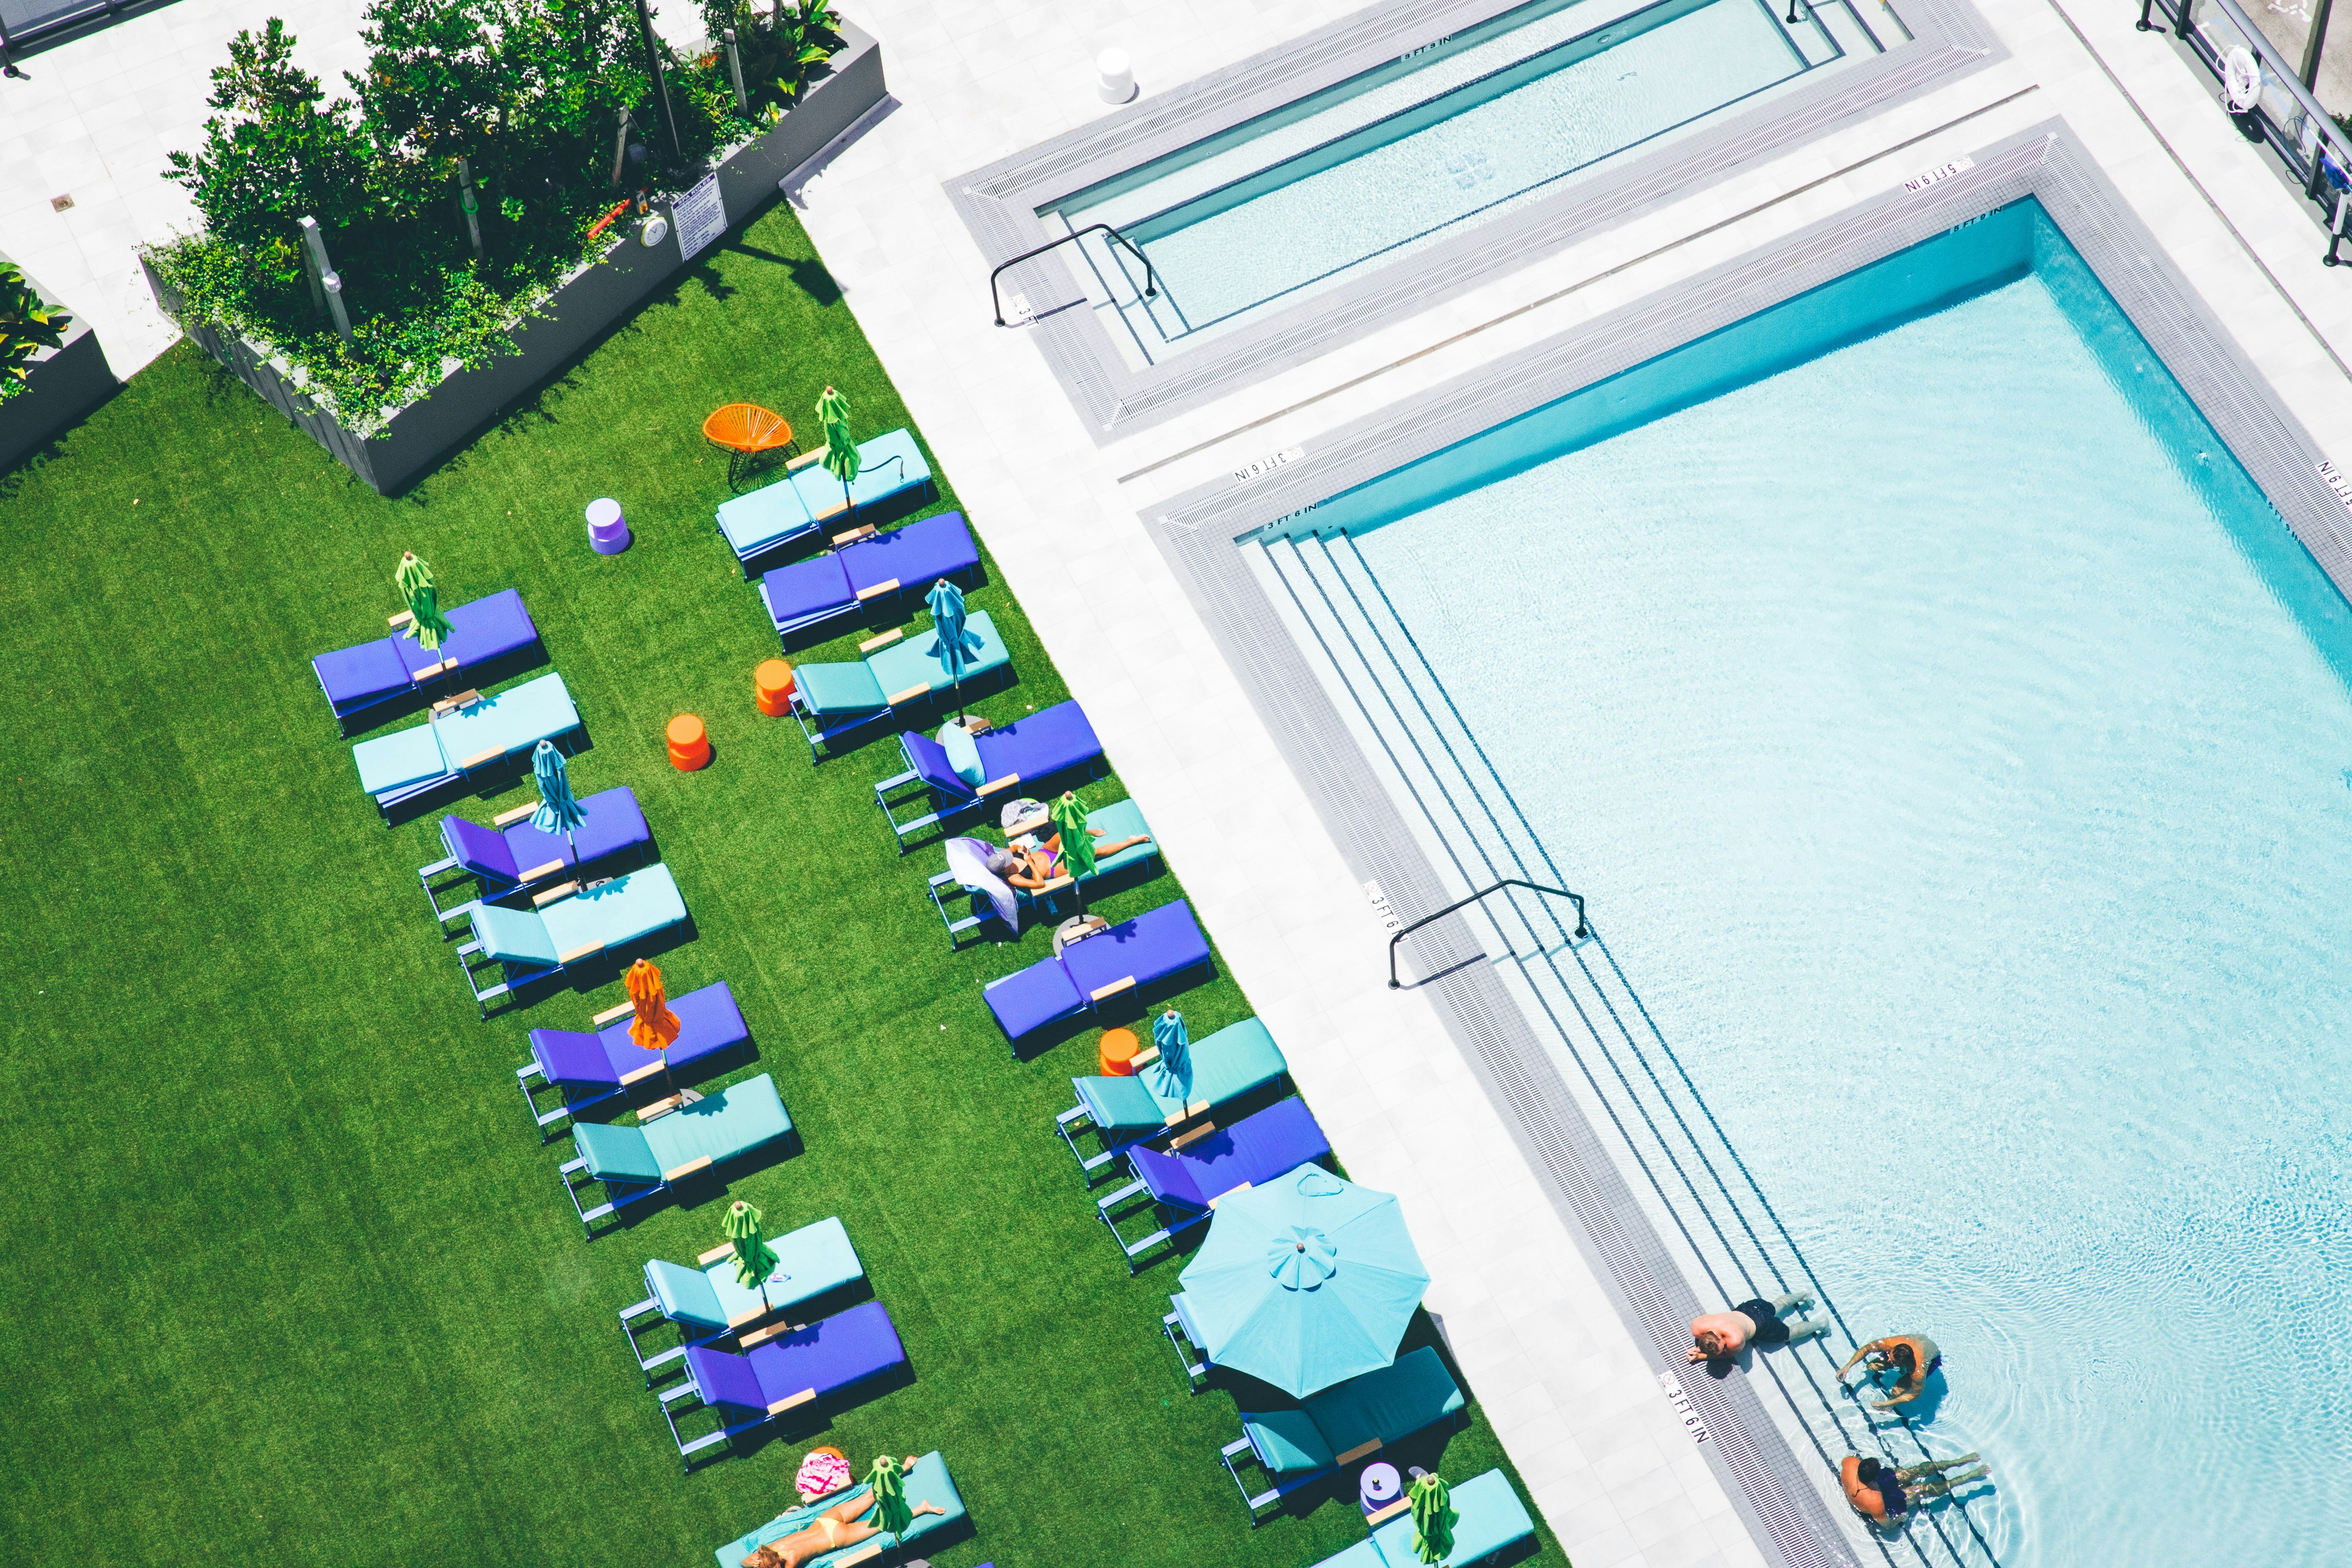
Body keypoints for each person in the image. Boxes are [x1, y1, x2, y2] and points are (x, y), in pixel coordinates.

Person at [740, 1467, 946, 1568]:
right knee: (869, 1496)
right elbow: (746, 1562)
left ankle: (922, 1508)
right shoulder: (769, 1547)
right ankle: (903, 1469)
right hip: (826, 1520)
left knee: (883, 1523)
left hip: (836, 1538)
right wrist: (751, 1562)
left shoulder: (791, 1563)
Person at [1839, 1453, 1986, 1524]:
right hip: (1887, 1502)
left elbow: (1848, 1461)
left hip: (1874, 1484)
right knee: (1923, 1490)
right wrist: (1901, 1518)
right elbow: (1888, 1525)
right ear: (1874, 1477)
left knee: (1916, 1471)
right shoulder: (1875, 1502)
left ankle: (1957, 1462)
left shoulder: (1851, 1464)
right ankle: (1966, 1477)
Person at [1686, 1290, 1826, 1363]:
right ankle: (1804, 1295)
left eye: (1723, 1347)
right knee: (1778, 1305)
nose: (1725, 1348)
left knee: (1789, 1333)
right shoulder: (1698, 1326)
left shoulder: (1735, 1340)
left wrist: (1702, 1357)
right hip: (1750, 1307)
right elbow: (1715, 1345)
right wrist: (1703, 1348)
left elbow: (1727, 1356)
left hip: (1762, 1324)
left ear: (1720, 1338)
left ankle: (1821, 1324)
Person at [1836, 1333, 1942, 1409]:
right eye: (1888, 1355)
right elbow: (1866, 1349)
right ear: (1892, 1349)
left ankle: (1892, 1401)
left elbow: (1914, 1395)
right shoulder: (1888, 1344)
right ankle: (1899, 1367)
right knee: (1873, 1366)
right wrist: (1847, 1367)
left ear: (1903, 1363)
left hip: (1932, 1359)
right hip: (1919, 1341)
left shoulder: (1918, 1371)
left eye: (1892, 1362)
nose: (1887, 1361)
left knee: (1897, 1390)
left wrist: (1887, 1404)